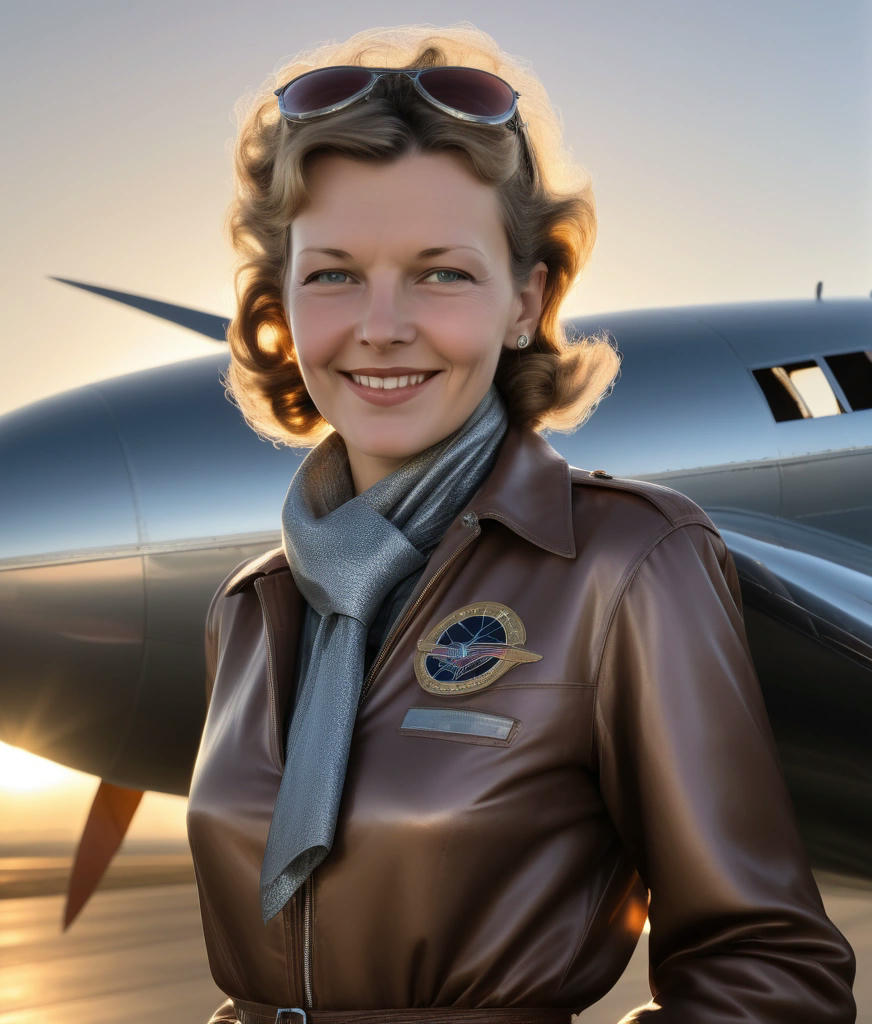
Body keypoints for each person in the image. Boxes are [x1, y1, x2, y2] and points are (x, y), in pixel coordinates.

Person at [186, 23, 857, 1023]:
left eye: (440, 272)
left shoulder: (627, 562)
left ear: (523, 300)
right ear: (281, 302)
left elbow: (767, 970)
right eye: (331, 272)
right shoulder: (253, 607)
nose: (381, 323)